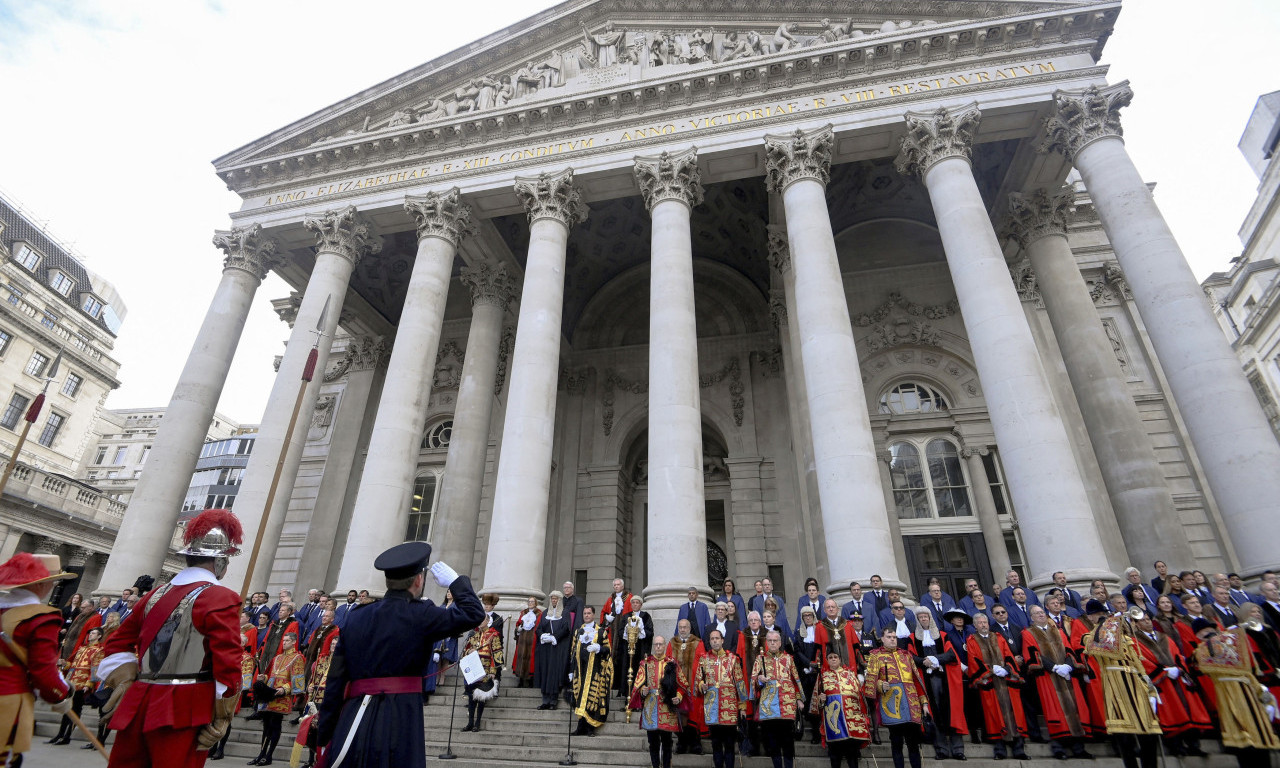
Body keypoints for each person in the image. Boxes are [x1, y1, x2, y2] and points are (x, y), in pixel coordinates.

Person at [93, 510, 242, 768]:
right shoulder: (220, 598)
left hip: (139, 700)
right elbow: (227, 661)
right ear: (219, 563)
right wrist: (223, 712)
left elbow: (116, 643)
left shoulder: (155, 595)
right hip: (186, 708)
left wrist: (127, 679)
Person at [315, 542, 483, 768]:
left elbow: (335, 681)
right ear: (418, 580)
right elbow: (473, 613)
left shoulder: (356, 616)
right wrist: (455, 582)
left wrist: (325, 734)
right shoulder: (422, 614)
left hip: (353, 716)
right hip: (401, 715)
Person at [1193, 619, 1280, 768]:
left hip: (1248, 692)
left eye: (1212, 629)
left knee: (1260, 737)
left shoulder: (1231, 645)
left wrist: (1261, 692)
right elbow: (1202, 663)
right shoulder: (1201, 650)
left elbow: (1247, 672)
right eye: (1206, 631)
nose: (1211, 633)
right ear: (1199, 634)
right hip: (1229, 694)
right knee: (1242, 740)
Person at [1130, 613, 1210, 757]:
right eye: (1142, 621)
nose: (1147, 622)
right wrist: (1162, 671)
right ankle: (1176, 746)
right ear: (1136, 624)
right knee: (1171, 714)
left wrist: (1179, 668)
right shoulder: (1135, 641)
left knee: (1188, 711)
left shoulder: (1164, 637)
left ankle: (1194, 745)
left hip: (1176, 678)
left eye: (1148, 619)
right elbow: (1140, 660)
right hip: (1162, 681)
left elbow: (1178, 654)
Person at [1022, 604, 1093, 759]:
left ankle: (1078, 748)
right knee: (1055, 711)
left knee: (1075, 710)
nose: (1040, 615)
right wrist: (1054, 667)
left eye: (1042, 612)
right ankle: (1059, 747)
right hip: (1048, 677)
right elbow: (1032, 654)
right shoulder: (1028, 633)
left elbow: (1069, 649)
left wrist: (1067, 665)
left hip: (1067, 675)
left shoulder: (1058, 630)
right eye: (1036, 613)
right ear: (1031, 617)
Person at [964, 611, 1029, 760]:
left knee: (1015, 715)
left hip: (1007, 683)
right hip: (990, 684)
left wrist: (1006, 669)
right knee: (994, 716)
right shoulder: (972, 641)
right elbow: (974, 662)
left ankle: (1019, 749)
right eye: (979, 623)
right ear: (975, 626)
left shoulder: (999, 637)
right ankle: (1000, 750)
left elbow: (1009, 655)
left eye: (985, 622)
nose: (983, 625)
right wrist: (992, 671)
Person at [863, 627, 927, 768]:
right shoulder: (876, 655)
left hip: (911, 704)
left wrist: (924, 703)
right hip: (891, 703)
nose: (892, 639)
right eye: (889, 636)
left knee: (913, 743)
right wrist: (880, 685)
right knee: (896, 742)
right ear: (882, 638)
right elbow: (870, 680)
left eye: (894, 637)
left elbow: (916, 680)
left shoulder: (906, 655)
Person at [913, 607, 967, 760]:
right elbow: (911, 656)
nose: (924, 619)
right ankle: (941, 749)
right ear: (917, 620)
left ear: (930, 618)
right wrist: (925, 661)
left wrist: (936, 660)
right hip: (927, 680)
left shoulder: (943, 636)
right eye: (921, 617)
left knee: (952, 711)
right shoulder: (913, 638)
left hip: (945, 679)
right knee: (934, 713)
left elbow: (951, 654)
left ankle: (958, 749)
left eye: (926, 616)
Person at [250, 631, 305, 765]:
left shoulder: (297, 658)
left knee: (275, 726)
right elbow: (272, 675)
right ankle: (261, 754)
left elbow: (297, 680)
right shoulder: (277, 657)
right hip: (269, 695)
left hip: (282, 696)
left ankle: (268, 755)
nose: (284, 642)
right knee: (266, 726)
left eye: (287, 641)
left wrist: (284, 689)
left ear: (293, 642)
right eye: (283, 640)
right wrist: (264, 678)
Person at [695, 628, 746, 768]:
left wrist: (742, 707)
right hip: (712, 708)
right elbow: (697, 682)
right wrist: (701, 685)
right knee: (716, 745)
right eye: (712, 639)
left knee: (729, 745)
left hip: (729, 708)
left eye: (717, 638)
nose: (715, 641)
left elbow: (740, 684)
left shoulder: (733, 659)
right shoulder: (704, 659)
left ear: (722, 640)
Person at [630, 634, 684, 768]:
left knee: (667, 742)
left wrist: (678, 696)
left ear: (665, 646)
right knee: (652, 742)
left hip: (667, 707)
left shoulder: (672, 663)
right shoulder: (646, 663)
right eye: (656, 644)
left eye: (661, 644)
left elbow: (683, 685)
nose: (658, 647)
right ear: (653, 646)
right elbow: (638, 684)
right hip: (651, 707)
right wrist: (643, 690)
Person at [812, 648, 871, 767]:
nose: (833, 659)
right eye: (830, 657)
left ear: (840, 659)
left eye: (835, 657)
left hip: (852, 720)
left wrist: (864, 717)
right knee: (835, 756)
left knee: (852, 756)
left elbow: (860, 697)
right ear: (827, 661)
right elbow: (815, 704)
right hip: (834, 722)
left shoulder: (850, 674)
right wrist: (821, 700)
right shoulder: (822, 676)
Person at [753, 629, 802, 768]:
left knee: (788, 741)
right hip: (769, 707)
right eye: (770, 641)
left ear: (780, 643)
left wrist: (799, 699)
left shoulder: (788, 659)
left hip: (787, 705)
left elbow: (796, 679)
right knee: (772, 742)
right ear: (766, 642)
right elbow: (753, 681)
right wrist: (760, 680)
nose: (773, 643)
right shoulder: (760, 659)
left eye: (775, 641)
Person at [571, 605, 612, 735]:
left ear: (593, 615)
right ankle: (580, 726)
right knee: (580, 698)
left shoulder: (601, 632)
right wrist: (571, 671)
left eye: (589, 613)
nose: (586, 615)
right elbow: (572, 652)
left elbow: (608, 651)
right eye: (585, 613)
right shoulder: (578, 631)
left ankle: (590, 727)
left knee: (592, 699)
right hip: (580, 672)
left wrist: (598, 648)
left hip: (595, 671)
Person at [667, 619, 704, 755]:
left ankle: (695, 743)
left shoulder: (698, 643)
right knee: (678, 716)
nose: (682, 630)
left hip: (693, 686)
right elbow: (667, 664)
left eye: (685, 627)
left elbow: (702, 664)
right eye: (680, 627)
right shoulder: (672, 643)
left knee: (693, 715)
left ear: (690, 628)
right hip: (677, 688)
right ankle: (681, 743)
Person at [462, 612, 503, 732]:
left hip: (485, 670)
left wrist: (492, 670)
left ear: (487, 621)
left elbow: (497, 654)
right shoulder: (473, 635)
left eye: (482, 620)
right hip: (473, 669)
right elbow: (465, 650)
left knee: (481, 697)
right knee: (470, 696)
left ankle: (477, 723)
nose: (479, 622)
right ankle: (470, 723)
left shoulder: (494, 635)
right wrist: (468, 651)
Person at [534, 590, 572, 709]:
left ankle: (553, 701)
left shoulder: (564, 613)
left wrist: (554, 637)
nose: (554, 600)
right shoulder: (546, 612)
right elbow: (539, 627)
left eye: (556, 599)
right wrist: (542, 636)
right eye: (552, 598)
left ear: (560, 600)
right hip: (545, 648)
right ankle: (545, 700)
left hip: (557, 648)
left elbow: (566, 628)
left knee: (554, 673)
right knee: (545, 672)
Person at [616, 595, 654, 699]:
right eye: (633, 602)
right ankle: (627, 697)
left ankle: (638, 698)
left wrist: (640, 631)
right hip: (627, 649)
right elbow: (620, 632)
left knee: (639, 672)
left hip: (641, 649)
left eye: (637, 603)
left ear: (641, 605)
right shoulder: (626, 616)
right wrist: (627, 632)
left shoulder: (646, 616)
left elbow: (650, 632)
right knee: (627, 670)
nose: (635, 604)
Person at [513, 596, 541, 688]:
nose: (530, 603)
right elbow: (518, 623)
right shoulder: (523, 612)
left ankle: (531, 681)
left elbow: (539, 625)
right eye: (529, 601)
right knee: (520, 658)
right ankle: (521, 680)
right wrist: (518, 628)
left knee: (531, 659)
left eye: (532, 601)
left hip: (532, 640)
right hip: (522, 639)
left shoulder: (539, 613)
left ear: (535, 603)